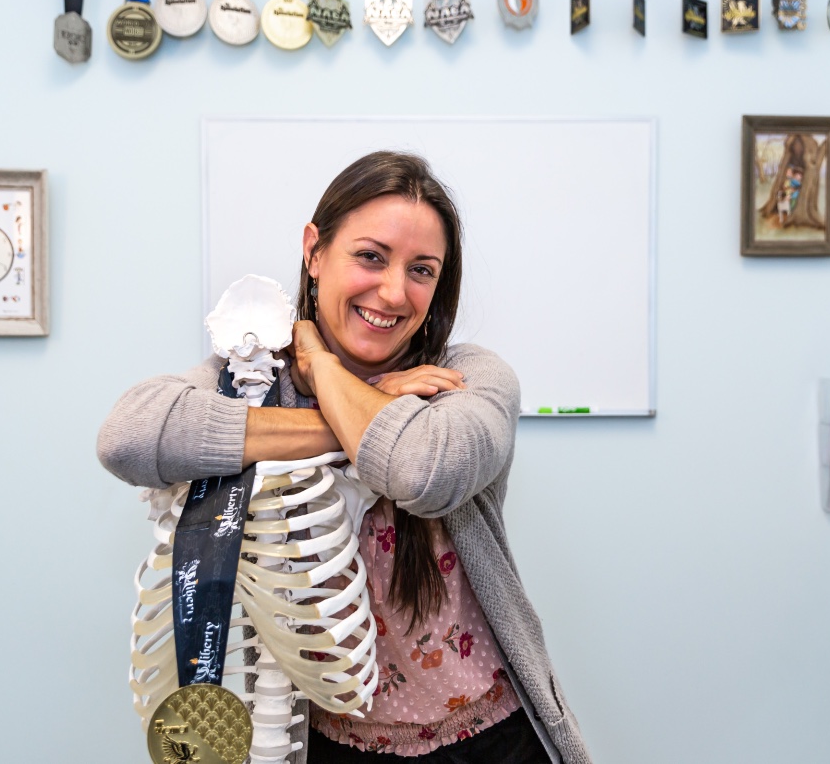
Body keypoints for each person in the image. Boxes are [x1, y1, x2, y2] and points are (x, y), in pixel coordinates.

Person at [98, 151, 591, 764]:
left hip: (490, 741)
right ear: (314, 251)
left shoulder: (466, 379)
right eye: (370, 256)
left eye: (421, 270)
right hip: (330, 745)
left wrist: (325, 367)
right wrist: (340, 414)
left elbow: (420, 473)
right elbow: (130, 436)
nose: (392, 291)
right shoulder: (255, 381)